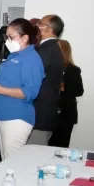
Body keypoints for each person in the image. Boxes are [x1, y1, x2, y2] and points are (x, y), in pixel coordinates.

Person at [0, 19, 44, 159]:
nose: (7, 41)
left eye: (11, 37)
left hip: (16, 116)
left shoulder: (31, 59)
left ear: (25, 38)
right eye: (6, 37)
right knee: (6, 161)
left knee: (12, 163)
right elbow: (9, 81)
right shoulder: (15, 55)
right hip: (3, 114)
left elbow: (29, 93)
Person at [26, 14, 65, 146]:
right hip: (41, 113)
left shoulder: (47, 50)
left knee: (32, 157)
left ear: (48, 29)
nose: (36, 26)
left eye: (40, 24)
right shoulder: (48, 48)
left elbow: (30, 76)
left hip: (40, 114)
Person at [48, 39, 84, 148]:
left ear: (64, 51)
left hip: (66, 115)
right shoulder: (48, 67)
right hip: (49, 114)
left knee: (61, 146)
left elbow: (79, 91)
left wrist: (64, 87)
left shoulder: (73, 70)